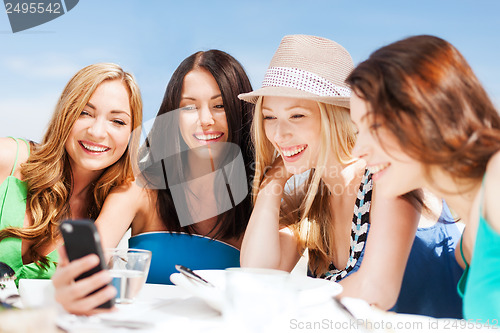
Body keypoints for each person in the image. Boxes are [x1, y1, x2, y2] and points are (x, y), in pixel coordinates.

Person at [52, 49, 255, 315]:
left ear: (240, 111)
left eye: (220, 105)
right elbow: (86, 267)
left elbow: (268, 291)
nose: (206, 120)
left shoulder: (261, 200)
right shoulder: (141, 188)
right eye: (189, 106)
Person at [239, 34, 424, 311]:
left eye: (297, 115)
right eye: (269, 116)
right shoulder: (313, 199)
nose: (279, 133)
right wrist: (272, 182)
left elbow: (376, 291)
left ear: (336, 116)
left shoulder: (386, 178)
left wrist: (291, 303)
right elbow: (259, 274)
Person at [347, 34, 500, 321]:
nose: (358, 150)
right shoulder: (468, 246)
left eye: (376, 125)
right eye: (358, 131)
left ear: (431, 111)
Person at [0, 63, 143, 285]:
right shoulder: (9, 158)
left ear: (131, 133)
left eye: (117, 121)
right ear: (65, 115)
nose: (96, 132)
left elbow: (83, 285)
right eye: (84, 113)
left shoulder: (119, 200)